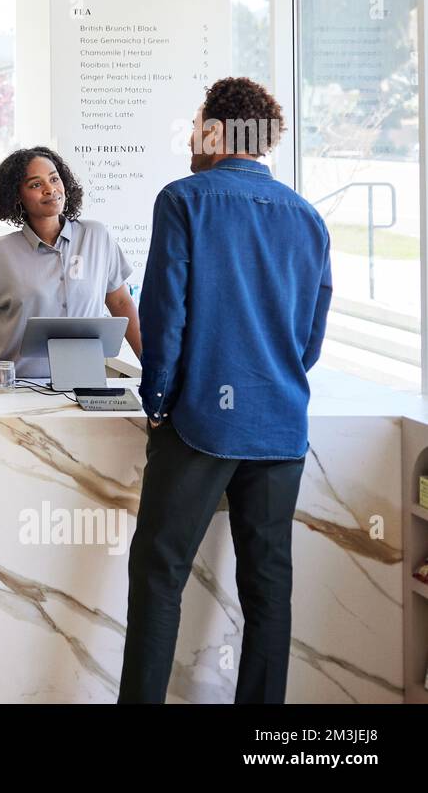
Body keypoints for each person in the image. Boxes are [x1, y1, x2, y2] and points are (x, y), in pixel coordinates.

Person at [119, 77, 333, 704]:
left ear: (215, 130)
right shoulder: (308, 217)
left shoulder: (185, 199)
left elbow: (165, 313)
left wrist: (157, 402)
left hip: (201, 425)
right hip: (281, 426)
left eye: (195, 122)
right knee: (270, 591)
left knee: (160, 576)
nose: (190, 135)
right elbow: (310, 338)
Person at [0, 146, 142, 377]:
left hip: (84, 383)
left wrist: (151, 367)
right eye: (36, 185)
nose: (50, 189)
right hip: (14, 389)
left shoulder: (96, 237)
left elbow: (120, 303)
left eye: (54, 179)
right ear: (17, 196)